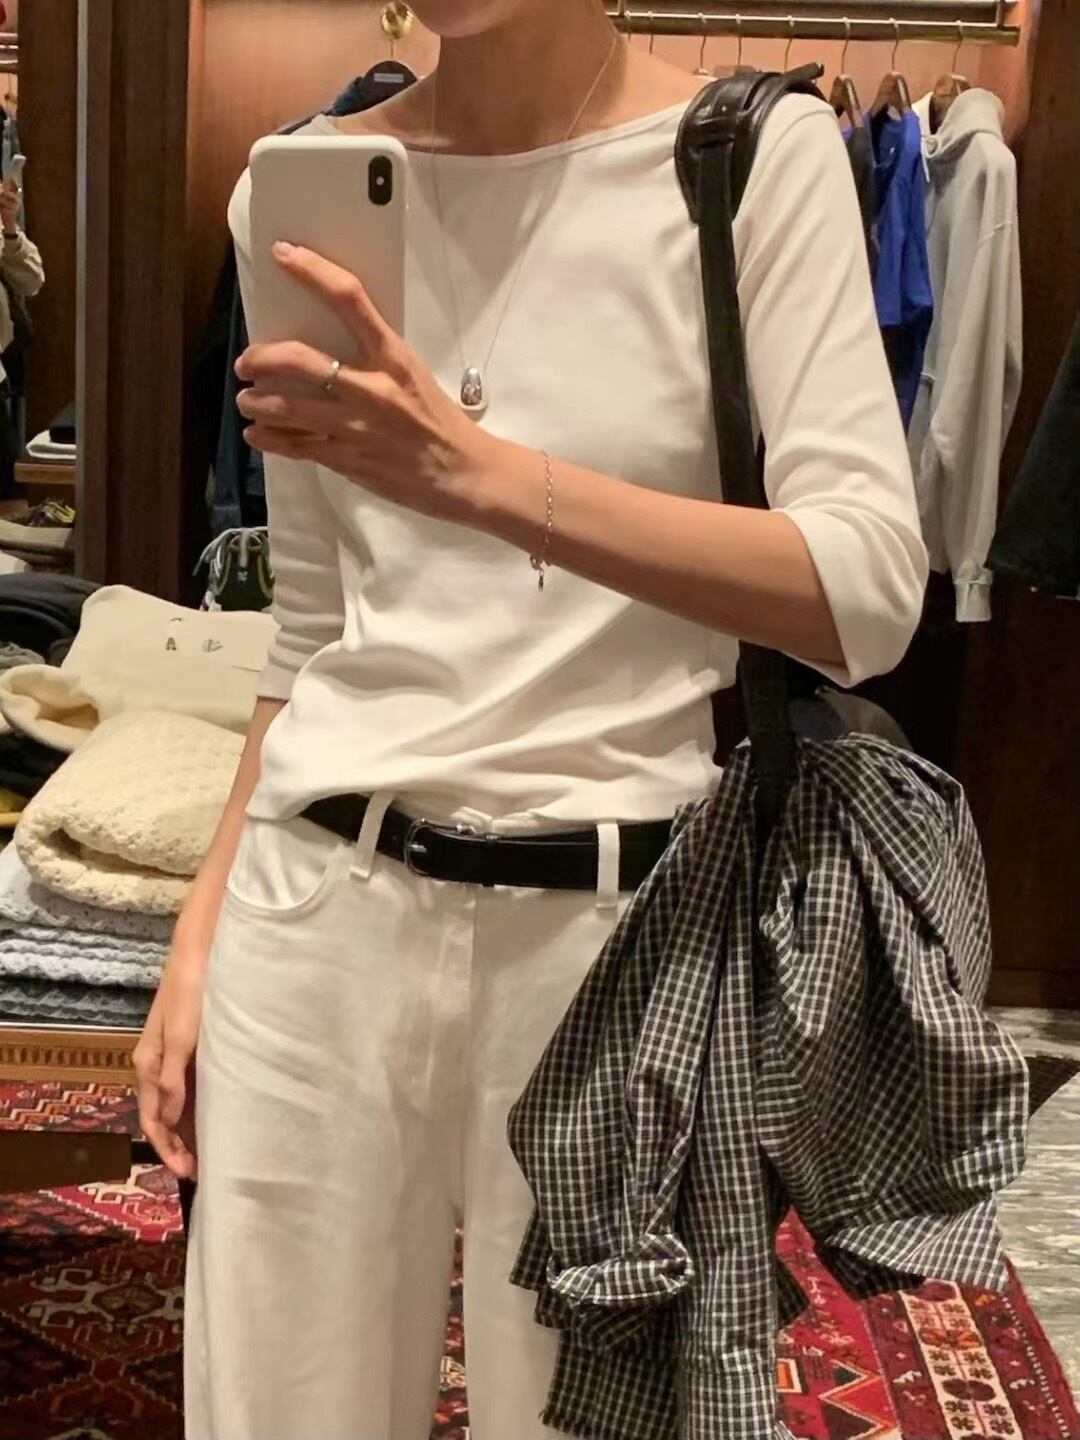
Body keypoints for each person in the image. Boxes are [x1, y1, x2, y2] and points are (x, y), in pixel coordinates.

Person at [134, 1, 928, 1436]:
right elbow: (308, 625)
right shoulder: (294, 192)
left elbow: (867, 591)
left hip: (616, 947)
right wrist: (200, 929)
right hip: (313, 919)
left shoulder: (746, 158)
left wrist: (483, 477)